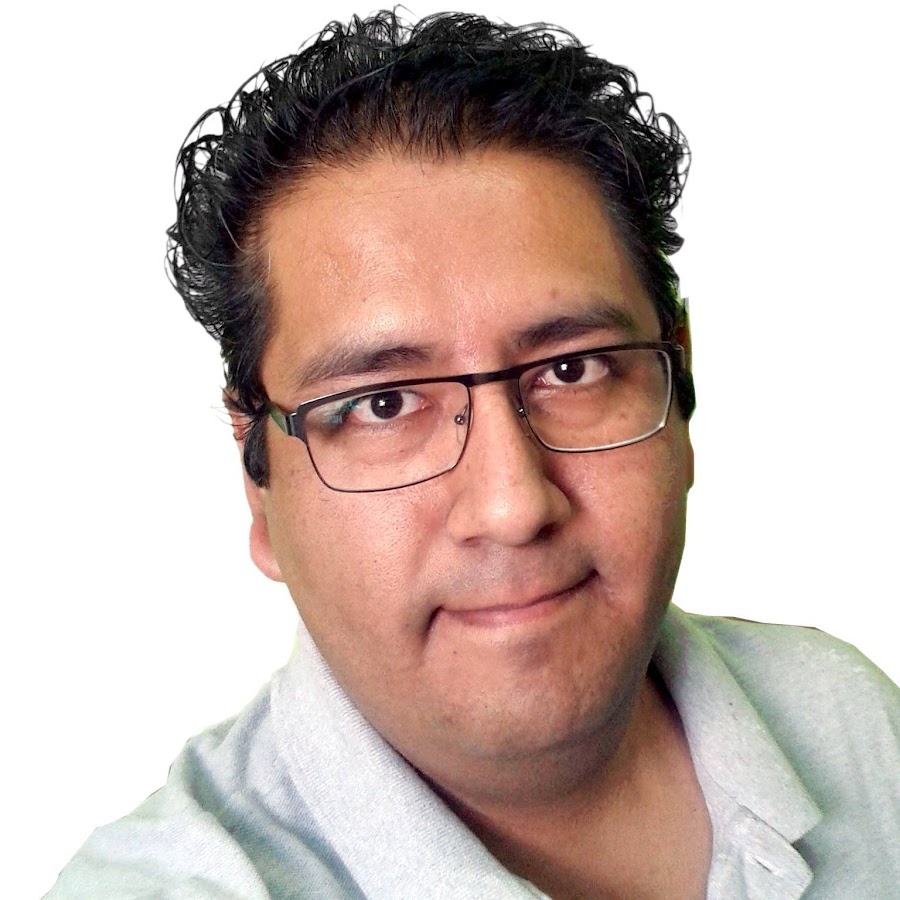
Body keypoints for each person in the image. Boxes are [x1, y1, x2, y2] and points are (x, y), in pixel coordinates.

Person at [46, 10, 899, 899]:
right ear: (260, 488)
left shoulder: (854, 724)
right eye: (383, 404)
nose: (512, 505)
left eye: (572, 369)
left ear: (679, 387)